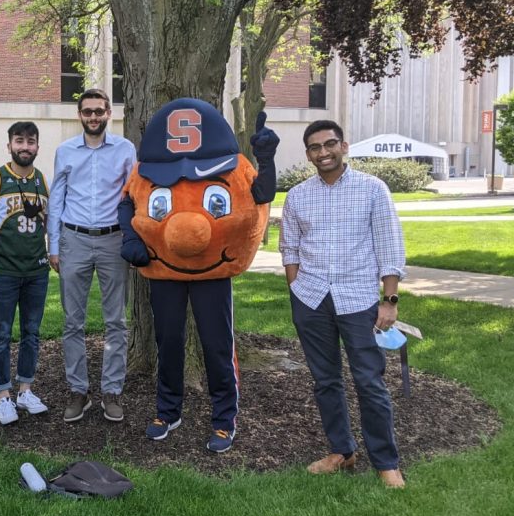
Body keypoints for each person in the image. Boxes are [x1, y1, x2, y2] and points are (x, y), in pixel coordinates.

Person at [119, 101, 278, 453]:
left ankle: (224, 419)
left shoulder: (231, 166)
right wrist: (131, 237)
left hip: (212, 270)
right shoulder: (147, 169)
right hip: (164, 270)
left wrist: (266, 160)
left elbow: (260, 194)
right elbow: (128, 200)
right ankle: (168, 410)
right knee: (168, 342)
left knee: (217, 345)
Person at [280, 120, 407, 488]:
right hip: (311, 299)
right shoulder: (299, 195)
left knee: (369, 381)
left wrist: (390, 300)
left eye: (329, 144)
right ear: (308, 154)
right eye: (315, 147)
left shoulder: (372, 190)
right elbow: (289, 247)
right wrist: (296, 288)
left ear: (344, 145)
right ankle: (343, 452)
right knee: (325, 381)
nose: (323, 152)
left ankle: (386, 463)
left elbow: (390, 246)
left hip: (359, 300)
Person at [47, 88, 136, 423]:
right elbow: (57, 198)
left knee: (116, 320)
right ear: (79, 115)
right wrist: (54, 245)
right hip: (74, 240)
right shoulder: (65, 151)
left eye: (99, 111)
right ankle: (78, 390)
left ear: (109, 114)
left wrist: (133, 239)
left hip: (114, 241)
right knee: (73, 321)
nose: (94, 117)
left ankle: (111, 391)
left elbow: (133, 197)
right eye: (88, 112)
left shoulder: (126, 150)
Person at [0, 121, 51, 425]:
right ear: (9, 145)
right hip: (3, 272)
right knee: (2, 334)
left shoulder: (42, 181)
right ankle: (3, 396)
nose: (25, 147)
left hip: (36, 271)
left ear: (37, 146)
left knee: (32, 334)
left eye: (30, 141)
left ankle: (25, 390)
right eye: (19, 141)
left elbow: (49, 223)